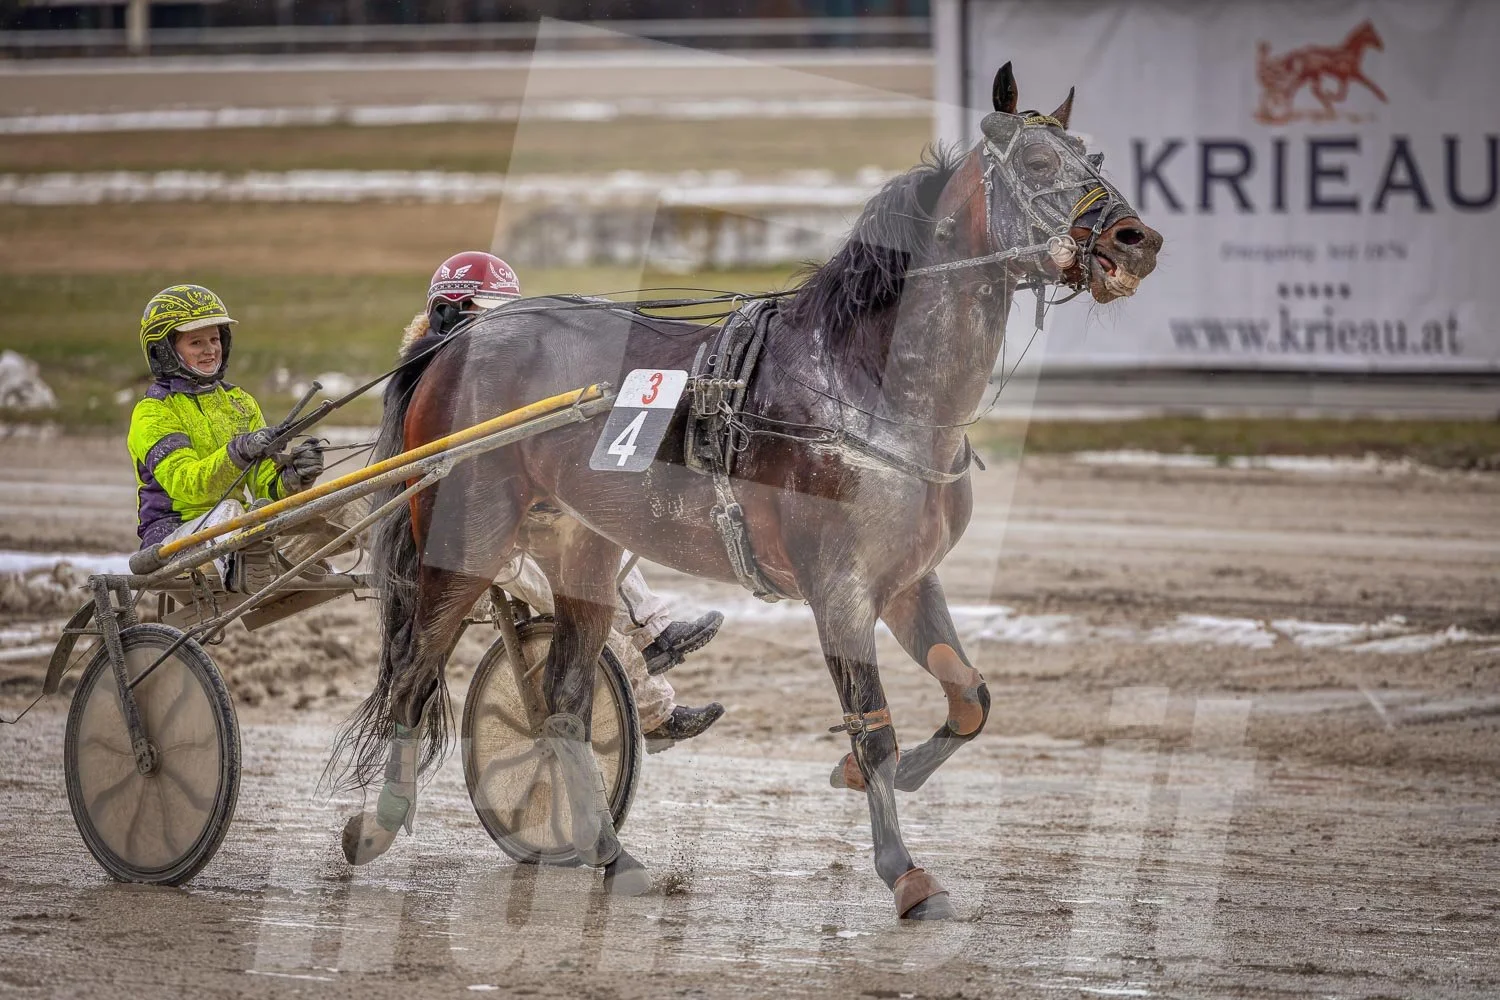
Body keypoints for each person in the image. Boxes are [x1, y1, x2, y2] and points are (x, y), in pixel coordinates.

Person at [404, 251, 726, 750]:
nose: (499, 333)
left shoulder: (504, 376)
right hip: (480, 539)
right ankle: (657, 710)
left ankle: (656, 637)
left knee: (601, 538)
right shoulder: (434, 378)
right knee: (594, 611)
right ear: (448, 312)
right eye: (485, 316)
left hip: (529, 517)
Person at [128, 284, 326, 592]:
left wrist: (293, 478)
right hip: (172, 541)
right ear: (164, 351)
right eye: (196, 342)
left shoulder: (240, 402)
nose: (210, 349)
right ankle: (247, 564)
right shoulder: (153, 413)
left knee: (321, 504)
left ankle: (255, 557)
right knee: (233, 514)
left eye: (215, 338)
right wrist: (239, 451)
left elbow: (262, 486)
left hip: (229, 533)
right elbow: (188, 485)